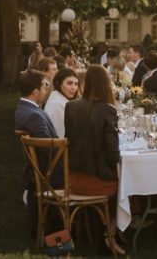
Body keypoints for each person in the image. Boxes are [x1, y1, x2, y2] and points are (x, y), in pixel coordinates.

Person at [64, 64, 123, 255]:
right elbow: (113, 154)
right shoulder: (108, 110)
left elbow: (70, 141)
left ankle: (102, 231)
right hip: (98, 182)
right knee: (127, 186)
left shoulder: (71, 106)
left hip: (72, 178)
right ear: (106, 85)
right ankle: (110, 234)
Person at [14, 69, 58, 237]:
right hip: (50, 171)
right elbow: (49, 150)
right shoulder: (33, 115)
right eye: (44, 87)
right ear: (35, 92)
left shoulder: (25, 108)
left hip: (39, 169)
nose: (46, 90)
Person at [42, 67, 79, 140]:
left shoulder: (58, 99)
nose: (73, 88)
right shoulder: (58, 104)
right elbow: (62, 134)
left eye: (76, 84)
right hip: (60, 147)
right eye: (69, 83)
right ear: (59, 83)